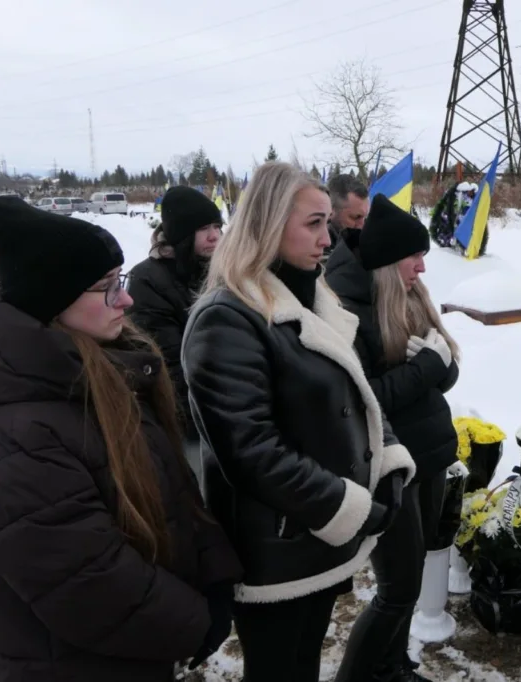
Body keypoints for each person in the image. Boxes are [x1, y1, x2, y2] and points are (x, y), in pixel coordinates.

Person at [0, 197, 243, 682]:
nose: (125, 302)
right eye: (106, 289)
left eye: (120, 282)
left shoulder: (107, 380)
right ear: (52, 302)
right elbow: (91, 586)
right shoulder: (11, 444)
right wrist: (194, 622)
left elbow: (174, 492)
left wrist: (215, 578)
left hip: (133, 653)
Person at [181, 162, 417, 682]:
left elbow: (356, 394)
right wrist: (350, 507)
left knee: (305, 663)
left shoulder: (315, 297)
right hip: (277, 546)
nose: (328, 238)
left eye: (329, 222)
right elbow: (251, 452)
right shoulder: (229, 315)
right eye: (314, 223)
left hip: (318, 537)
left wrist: (391, 463)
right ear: (267, 224)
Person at [326, 195, 460, 681]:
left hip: (430, 454)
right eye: (414, 257)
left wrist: (440, 366)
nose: (422, 267)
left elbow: (444, 369)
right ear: (387, 262)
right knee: (397, 589)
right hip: (389, 466)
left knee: (413, 574)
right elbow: (362, 399)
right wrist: (427, 368)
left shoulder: (407, 292)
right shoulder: (345, 307)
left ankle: (393, 667)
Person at [127, 186, 223, 483]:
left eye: (218, 226)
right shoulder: (148, 280)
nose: (214, 236)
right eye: (204, 228)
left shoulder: (221, 269)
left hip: (227, 410)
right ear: (181, 233)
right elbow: (166, 362)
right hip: (187, 420)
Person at [324, 173, 370, 260]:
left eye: (365, 217)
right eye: (356, 217)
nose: (362, 225)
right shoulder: (315, 250)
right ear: (331, 210)